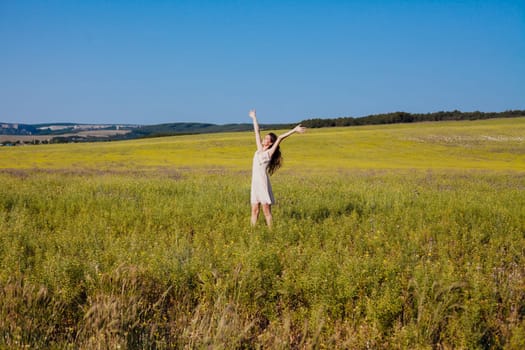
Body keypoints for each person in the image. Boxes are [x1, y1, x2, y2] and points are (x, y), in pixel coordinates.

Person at [249, 109, 306, 227]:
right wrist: (254, 118)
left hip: (262, 183)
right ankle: (251, 232)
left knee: (266, 211)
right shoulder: (259, 150)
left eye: (266, 139)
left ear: (270, 143)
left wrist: (294, 130)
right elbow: (256, 132)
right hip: (255, 184)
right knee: (254, 210)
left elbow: (280, 138)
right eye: (264, 138)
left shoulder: (269, 153)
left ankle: (271, 231)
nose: (263, 139)